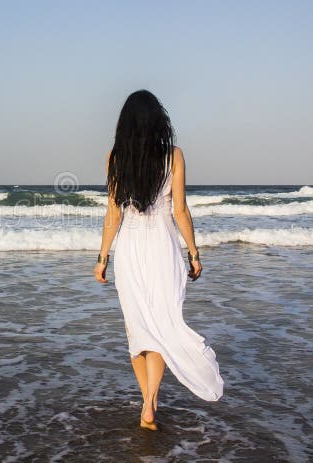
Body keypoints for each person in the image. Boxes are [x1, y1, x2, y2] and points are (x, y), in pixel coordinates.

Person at [93, 90, 224, 431]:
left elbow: (113, 213)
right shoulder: (174, 156)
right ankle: (151, 402)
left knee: (138, 330)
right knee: (162, 326)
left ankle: (147, 403)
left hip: (132, 250)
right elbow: (179, 210)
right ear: (158, 122)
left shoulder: (115, 158)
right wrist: (194, 253)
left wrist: (102, 257)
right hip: (164, 248)